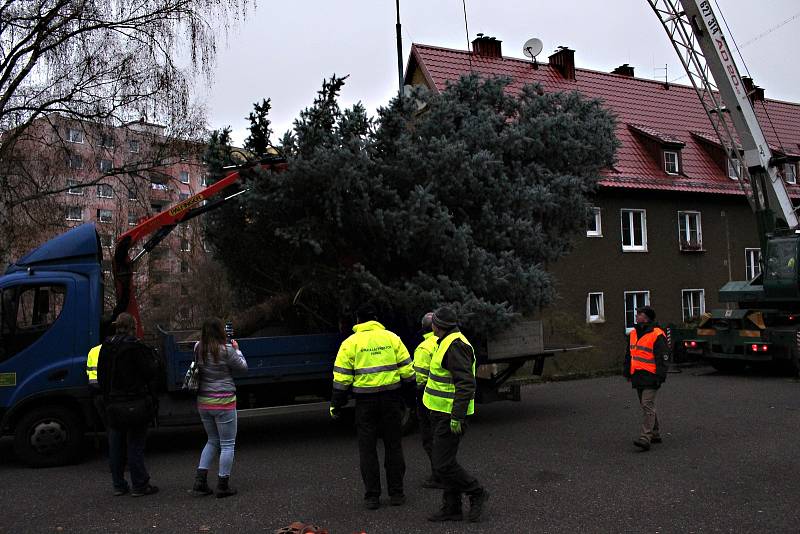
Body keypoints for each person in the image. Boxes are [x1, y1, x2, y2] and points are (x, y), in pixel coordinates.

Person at [330, 304, 416, 510]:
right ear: (376, 319)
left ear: (358, 321)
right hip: (392, 401)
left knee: (367, 450)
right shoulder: (392, 338)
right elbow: (408, 373)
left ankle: (372, 497)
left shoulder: (350, 343)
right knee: (393, 446)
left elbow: (341, 379)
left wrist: (336, 404)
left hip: (365, 404)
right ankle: (396, 494)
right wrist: (412, 398)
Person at [424, 306, 488, 523]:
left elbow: (465, 384)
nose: (431, 324)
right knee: (445, 461)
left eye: (433, 322)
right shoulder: (446, 342)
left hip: (449, 415)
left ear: (438, 326)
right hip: (440, 412)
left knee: (442, 464)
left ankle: (476, 491)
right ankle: (452, 508)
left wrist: (457, 417)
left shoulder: (455, 346)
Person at [96, 312, 159, 497]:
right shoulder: (135, 347)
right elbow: (149, 372)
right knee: (135, 444)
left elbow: (102, 376)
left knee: (115, 445)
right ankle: (139, 485)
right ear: (133, 326)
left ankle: (118, 484)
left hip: (113, 403)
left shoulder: (106, 347)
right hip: (134, 402)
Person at [191, 317, 248, 498]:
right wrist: (238, 351)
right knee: (227, 444)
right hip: (224, 401)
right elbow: (243, 367)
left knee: (212, 440)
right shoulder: (227, 350)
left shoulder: (198, 347)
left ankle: (200, 481)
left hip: (204, 401)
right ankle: (223, 485)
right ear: (220, 331)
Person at [623, 305, 669, 451]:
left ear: (647, 317)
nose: (636, 316)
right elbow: (629, 354)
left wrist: (660, 376)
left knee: (647, 404)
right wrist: (627, 371)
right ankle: (655, 433)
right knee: (646, 405)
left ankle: (645, 437)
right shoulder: (633, 333)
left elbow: (663, 358)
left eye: (639, 314)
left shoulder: (657, 334)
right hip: (638, 375)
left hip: (651, 375)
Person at [413, 312, 443, 489]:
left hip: (428, 398)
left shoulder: (424, 348)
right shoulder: (447, 343)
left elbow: (419, 378)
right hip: (446, 397)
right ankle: (443, 471)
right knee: (442, 437)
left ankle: (438, 475)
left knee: (429, 438)